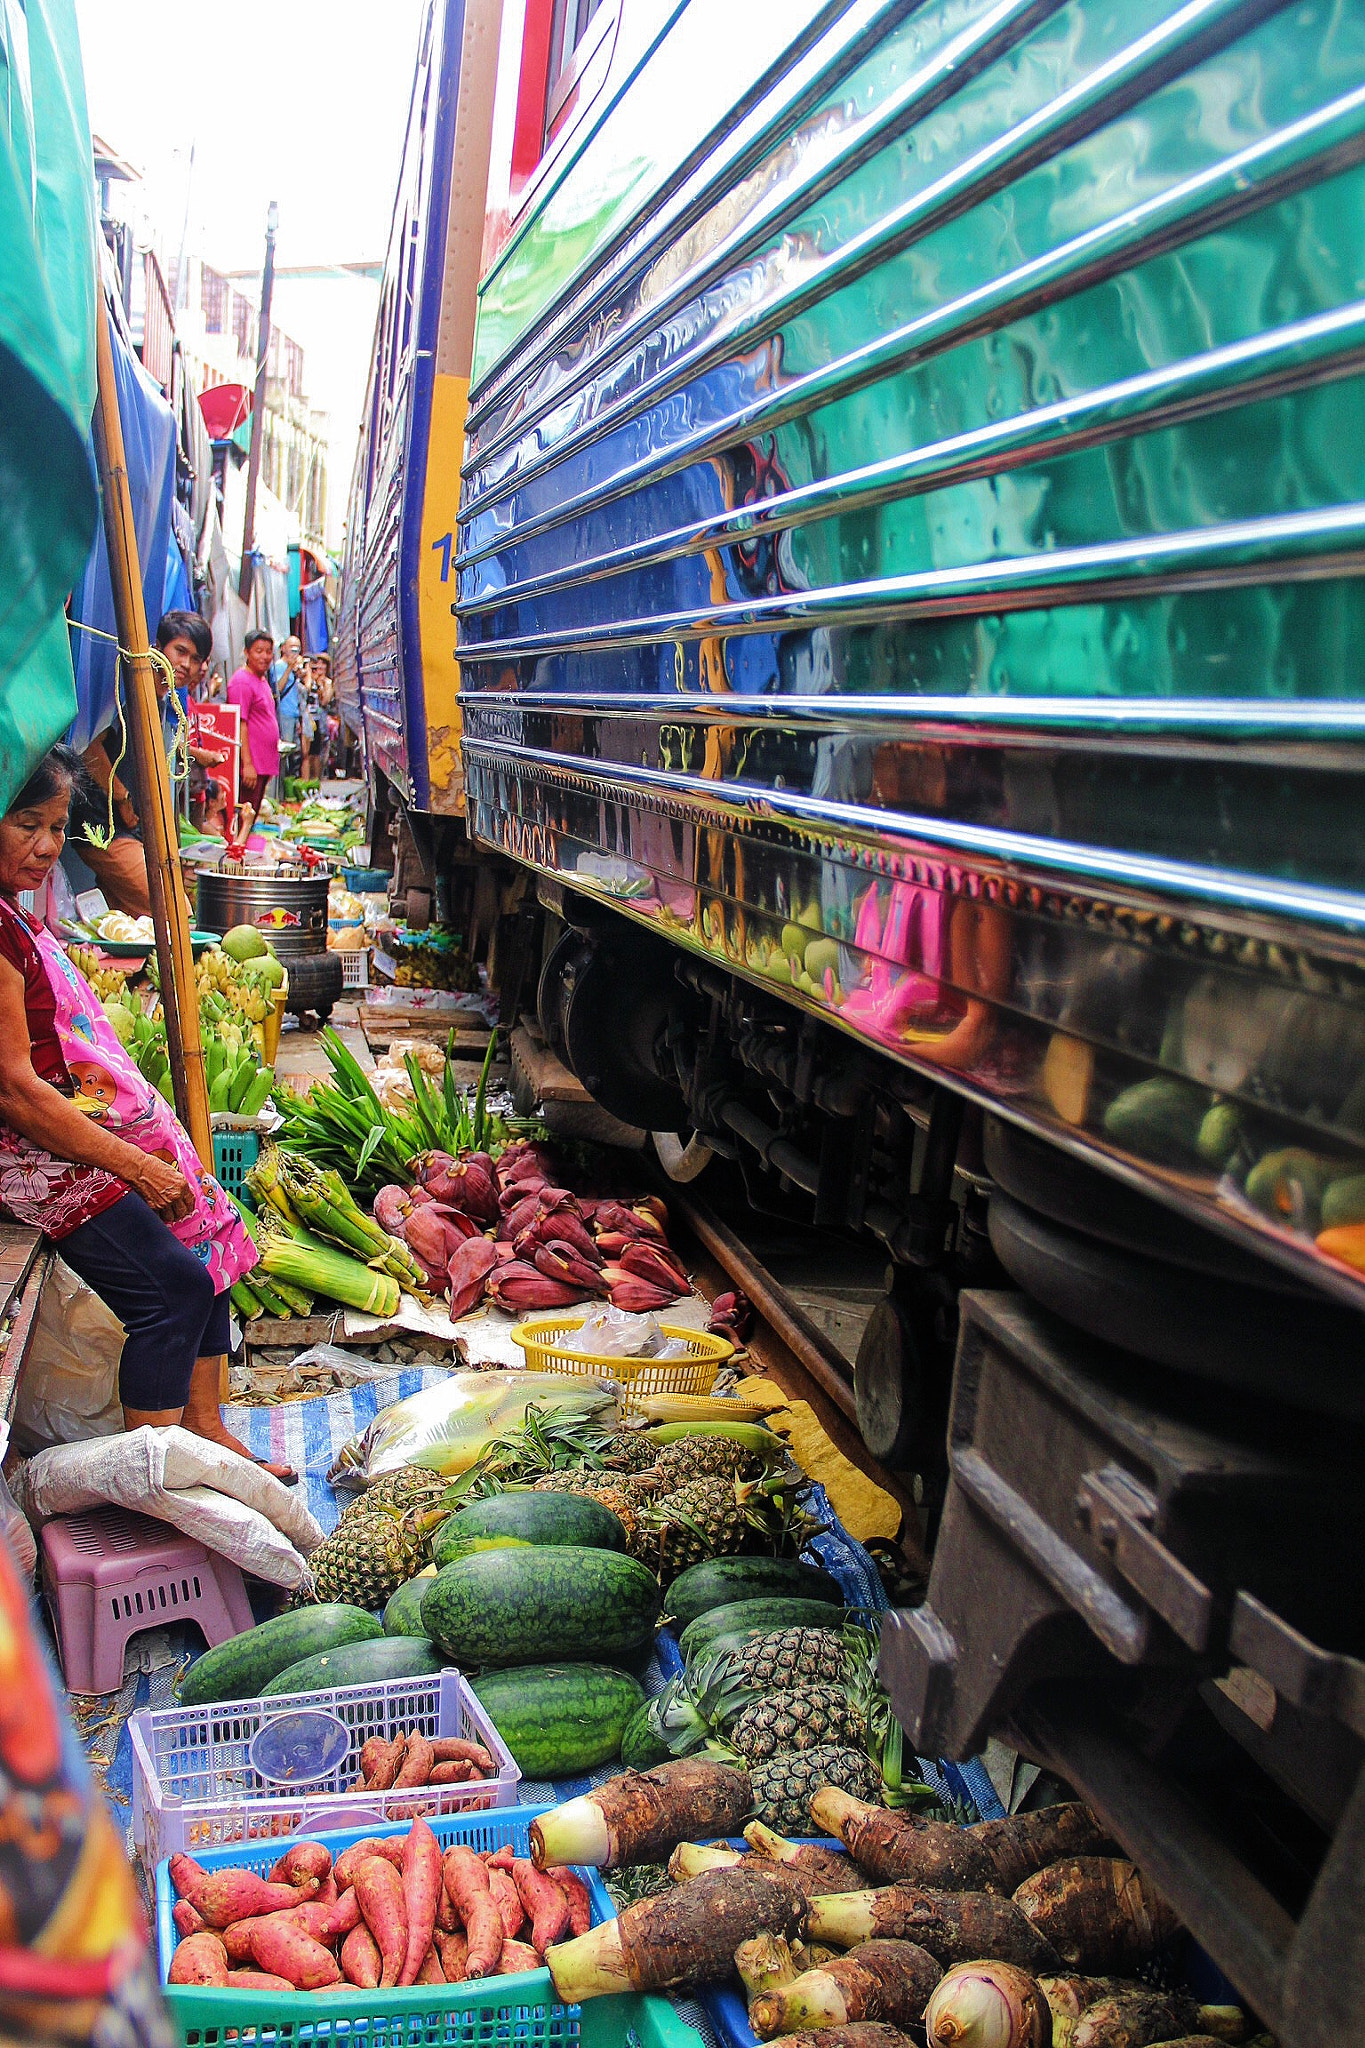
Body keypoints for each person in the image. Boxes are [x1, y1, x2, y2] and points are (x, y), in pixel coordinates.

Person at [0, 747, 294, 1479]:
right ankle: (156, 1482)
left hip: (66, 1131)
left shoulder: (13, 914)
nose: (45, 847)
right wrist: (135, 1165)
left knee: (210, 1231)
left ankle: (203, 1428)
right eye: (26, 824)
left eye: (58, 827)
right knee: (171, 1290)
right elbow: (14, 1092)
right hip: (32, 1155)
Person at [75, 611, 217, 916]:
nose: (186, 665)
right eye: (180, 651)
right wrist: (122, 796)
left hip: (136, 833)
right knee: (175, 915)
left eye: (195, 658)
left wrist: (193, 753)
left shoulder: (163, 697)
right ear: (158, 646)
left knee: (130, 926)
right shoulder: (130, 691)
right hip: (107, 828)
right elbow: (88, 745)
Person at [226, 630, 281, 836]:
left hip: (264, 763)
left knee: (253, 814)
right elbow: (241, 723)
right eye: (259, 651)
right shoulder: (242, 681)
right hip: (252, 764)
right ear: (247, 652)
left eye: (268, 652)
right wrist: (247, 764)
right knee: (244, 816)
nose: (265, 656)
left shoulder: (262, 680)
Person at [271, 636, 303, 773]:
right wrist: (290, 668)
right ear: (283, 648)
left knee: (295, 753)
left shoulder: (295, 668)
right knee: (285, 754)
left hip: (294, 713)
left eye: (298, 648)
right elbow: (278, 689)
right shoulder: (279, 666)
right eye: (292, 648)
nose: (295, 652)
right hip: (284, 714)